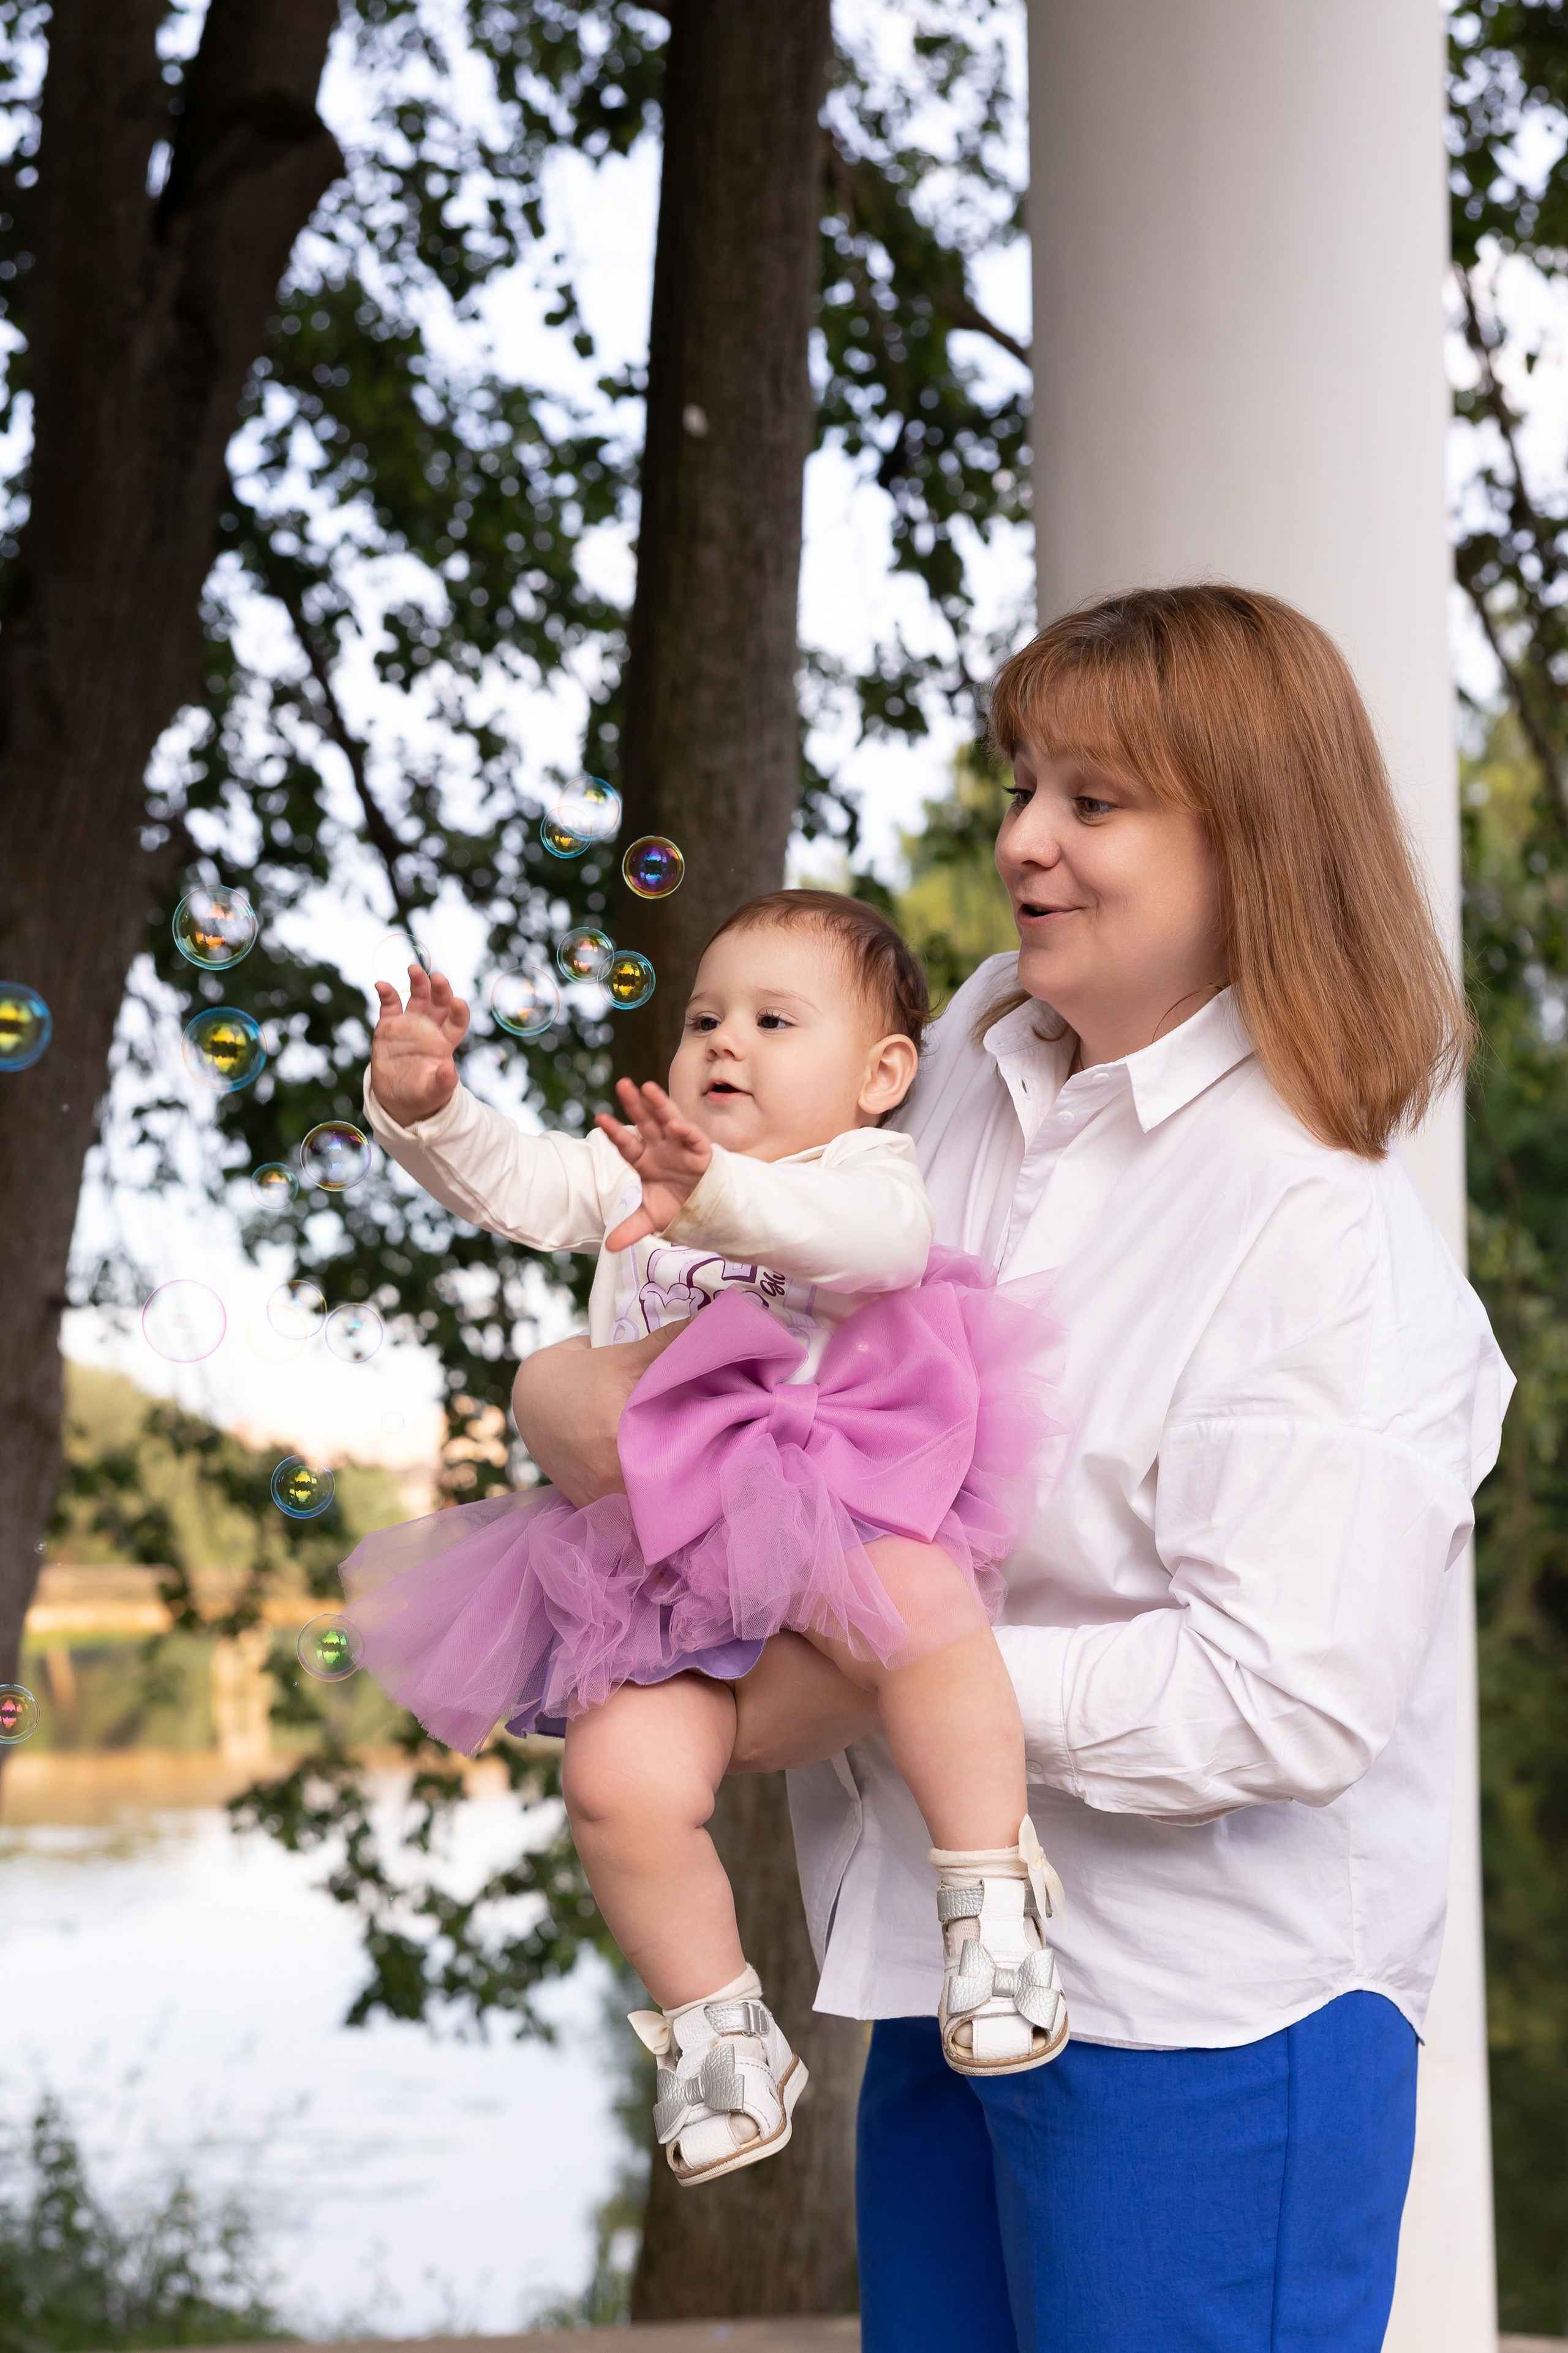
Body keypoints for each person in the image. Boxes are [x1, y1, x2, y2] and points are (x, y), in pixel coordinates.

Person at [514, 587, 1513, 2353]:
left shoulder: (1322, 1239)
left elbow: (1280, 1699)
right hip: (939, 1974)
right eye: (1023, 781)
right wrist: (600, 1418)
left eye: (1094, 800)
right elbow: (771, 1374)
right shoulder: (962, 1057)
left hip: (1205, 2028)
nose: (1024, 838)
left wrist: (871, 1671)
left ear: (1254, 841)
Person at [348, 889, 1068, 2193]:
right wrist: (429, 1109)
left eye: (772, 1020)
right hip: (669, 1561)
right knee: (615, 1780)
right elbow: (519, 1184)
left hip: (832, 1507)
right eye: (703, 1019)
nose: (723, 1043)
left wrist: (714, 1192)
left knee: (923, 1611)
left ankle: (990, 1901)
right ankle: (716, 2028)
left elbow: (869, 1245)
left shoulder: (858, 1172)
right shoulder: (636, 1168)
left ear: (880, 1074)